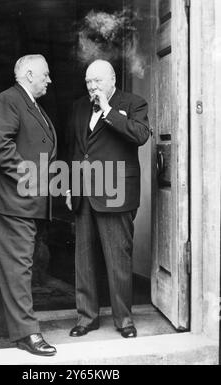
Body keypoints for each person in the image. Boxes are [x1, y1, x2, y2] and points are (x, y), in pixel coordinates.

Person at [66, 59, 150, 339]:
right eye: (88, 81)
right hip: (84, 192)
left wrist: (107, 110)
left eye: (97, 81)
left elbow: (140, 136)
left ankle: (124, 320)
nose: (92, 87)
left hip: (116, 194)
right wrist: (69, 186)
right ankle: (86, 318)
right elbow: (76, 150)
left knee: (118, 259)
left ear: (112, 79)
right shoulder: (78, 106)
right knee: (84, 260)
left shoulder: (134, 103)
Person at [0, 54, 57, 356]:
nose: (49, 80)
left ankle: (6, 327)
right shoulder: (9, 99)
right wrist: (31, 180)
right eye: (45, 75)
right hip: (13, 199)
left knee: (12, 265)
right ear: (28, 74)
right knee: (20, 266)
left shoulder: (29, 103)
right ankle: (28, 333)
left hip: (21, 200)